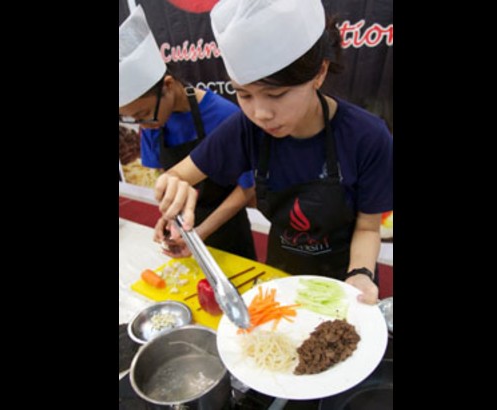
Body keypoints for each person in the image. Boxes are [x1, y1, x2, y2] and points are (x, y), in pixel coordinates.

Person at [152, 0, 393, 304]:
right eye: (244, 94)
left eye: (276, 94)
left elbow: (369, 227)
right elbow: (179, 174)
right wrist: (174, 187)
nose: (261, 113)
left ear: (319, 73)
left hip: (346, 280)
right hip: (281, 275)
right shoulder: (246, 128)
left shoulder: (368, 137)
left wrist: (361, 273)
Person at [119, 4, 256, 260]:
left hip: (228, 229)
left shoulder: (224, 115)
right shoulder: (152, 123)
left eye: (143, 114)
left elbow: (248, 188)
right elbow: (169, 180)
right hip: (188, 232)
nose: (143, 125)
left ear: (168, 86)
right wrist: (169, 216)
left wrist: (202, 231)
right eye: (135, 119)